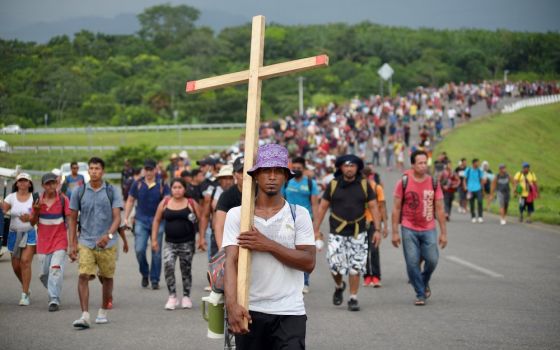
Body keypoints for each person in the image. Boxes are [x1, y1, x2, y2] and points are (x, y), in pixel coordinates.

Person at [223, 144, 315, 349]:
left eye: (278, 172)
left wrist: (268, 245)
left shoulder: (298, 214)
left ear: (285, 177)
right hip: (250, 309)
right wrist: (231, 305)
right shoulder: (237, 215)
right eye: (266, 171)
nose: (272, 176)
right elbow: (231, 261)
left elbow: (308, 262)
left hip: (289, 311)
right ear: (256, 175)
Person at [314, 154, 382, 311]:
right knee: (334, 266)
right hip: (337, 232)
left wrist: (377, 230)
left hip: (358, 233)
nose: (349, 168)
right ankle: (339, 286)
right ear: (341, 168)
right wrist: (316, 230)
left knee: (355, 267)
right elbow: (322, 207)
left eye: (352, 166)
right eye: (346, 165)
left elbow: (373, 207)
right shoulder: (334, 184)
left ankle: (353, 298)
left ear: (357, 168)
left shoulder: (365, 185)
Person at [68, 157, 123, 329]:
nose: (93, 171)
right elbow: (72, 218)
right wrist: (72, 243)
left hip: (107, 244)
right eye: (91, 168)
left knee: (107, 278)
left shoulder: (112, 191)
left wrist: (108, 235)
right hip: (85, 241)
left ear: (103, 171)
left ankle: (102, 311)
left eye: (97, 168)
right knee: (83, 275)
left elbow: (117, 218)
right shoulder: (79, 191)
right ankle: (85, 315)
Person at [391, 150, 447, 306]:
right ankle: (420, 293)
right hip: (408, 227)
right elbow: (395, 208)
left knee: (433, 260)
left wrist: (443, 233)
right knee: (412, 262)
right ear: (413, 165)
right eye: (420, 163)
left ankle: (423, 280)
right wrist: (395, 232)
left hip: (428, 227)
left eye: (425, 163)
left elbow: (440, 209)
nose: (423, 166)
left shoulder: (434, 183)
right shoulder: (404, 182)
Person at [152, 178, 204, 310]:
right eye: (174, 187)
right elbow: (157, 220)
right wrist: (154, 240)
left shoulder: (191, 203)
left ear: (184, 189)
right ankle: (172, 296)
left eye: (180, 187)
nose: (177, 190)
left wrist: (201, 238)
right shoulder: (165, 202)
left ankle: (186, 296)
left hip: (187, 243)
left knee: (185, 270)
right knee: (168, 267)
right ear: (171, 189)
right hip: (169, 243)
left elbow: (202, 218)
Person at [124, 159, 170, 289]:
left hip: (159, 221)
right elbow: (130, 200)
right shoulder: (137, 184)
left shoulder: (162, 183)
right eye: (146, 169)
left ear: (155, 169)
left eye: (151, 169)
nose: (148, 172)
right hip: (141, 221)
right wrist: (126, 218)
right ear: (144, 170)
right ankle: (145, 273)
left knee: (156, 251)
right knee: (139, 250)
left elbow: (167, 200)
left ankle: (155, 279)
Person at [32, 173, 71, 312]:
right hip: (43, 242)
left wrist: (73, 244)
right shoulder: (37, 200)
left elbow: (70, 220)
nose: (51, 186)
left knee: (55, 269)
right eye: (48, 184)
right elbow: (32, 222)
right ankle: (53, 288)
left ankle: (54, 299)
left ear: (57, 184)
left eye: (53, 183)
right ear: (43, 185)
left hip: (60, 241)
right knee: (43, 274)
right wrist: (36, 211)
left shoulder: (63, 199)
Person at [283, 156, 321, 294]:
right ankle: (290, 281)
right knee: (288, 250)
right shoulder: (287, 183)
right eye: (295, 168)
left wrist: (316, 227)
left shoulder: (311, 183)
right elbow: (281, 200)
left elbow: (315, 205)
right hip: (288, 220)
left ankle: (305, 282)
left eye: (299, 168)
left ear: (304, 169)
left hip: (306, 221)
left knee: (304, 252)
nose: (297, 170)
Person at [1, 172, 38, 306]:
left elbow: (37, 216)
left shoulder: (34, 198)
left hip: (29, 233)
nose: (22, 183)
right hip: (13, 234)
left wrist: (30, 217)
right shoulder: (11, 197)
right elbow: (3, 210)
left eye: (25, 181)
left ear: (29, 183)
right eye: (20, 181)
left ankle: (24, 295)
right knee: (16, 265)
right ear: (16, 184)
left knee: (25, 261)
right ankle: (26, 287)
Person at [362, 167, 388, 288]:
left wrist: (384, 226)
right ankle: (367, 276)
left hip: (374, 223)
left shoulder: (377, 188)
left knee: (374, 249)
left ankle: (376, 276)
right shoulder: (358, 188)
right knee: (363, 251)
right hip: (360, 223)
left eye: (366, 176)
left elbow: (382, 207)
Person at [214, 156, 244, 250]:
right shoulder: (226, 196)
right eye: (241, 172)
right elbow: (219, 225)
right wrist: (221, 250)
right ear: (234, 175)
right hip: (232, 242)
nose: (245, 175)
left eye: (248, 170)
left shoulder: (262, 192)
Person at [464, 159, 485, 223]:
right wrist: (465, 186)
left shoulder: (479, 171)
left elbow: (481, 180)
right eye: (477, 163)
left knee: (480, 202)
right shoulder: (468, 170)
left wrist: (482, 189)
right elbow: (464, 179)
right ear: (473, 163)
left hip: (478, 188)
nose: (478, 164)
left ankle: (480, 216)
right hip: (470, 189)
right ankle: (473, 216)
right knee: (471, 203)